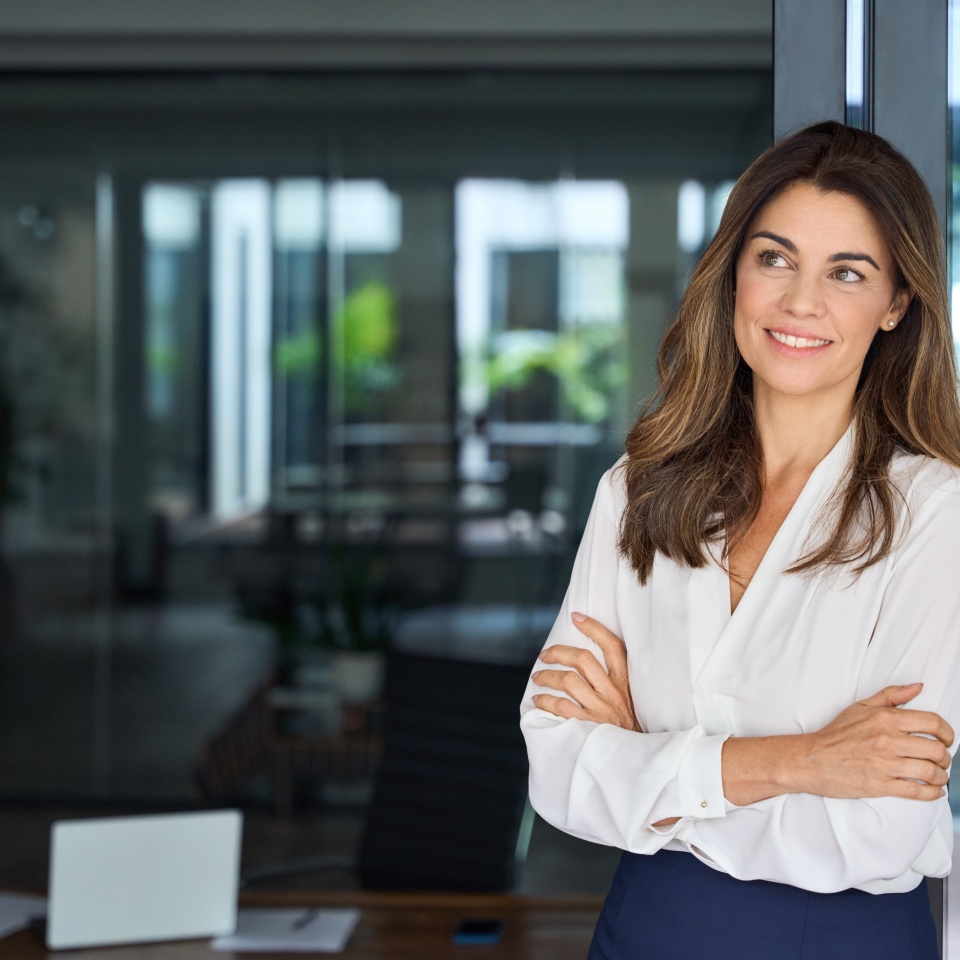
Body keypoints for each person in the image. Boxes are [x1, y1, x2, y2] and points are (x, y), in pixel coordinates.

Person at [519, 120, 960, 960]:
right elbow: (559, 772)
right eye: (775, 258)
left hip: (841, 940)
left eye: (848, 273)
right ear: (733, 276)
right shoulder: (639, 490)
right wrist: (800, 761)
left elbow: (882, 828)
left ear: (897, 303)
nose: (802, 302)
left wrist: (648, 765)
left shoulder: (935, 517)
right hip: (643, 928)